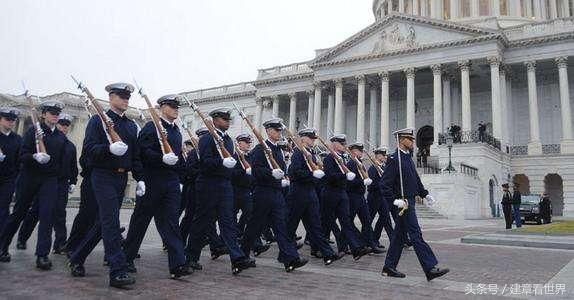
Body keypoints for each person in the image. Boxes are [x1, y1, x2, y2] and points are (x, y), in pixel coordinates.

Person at [68, 82, 143, 288]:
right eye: (121, 96)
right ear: (111, 98)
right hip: (102, 176)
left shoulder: (129, 126)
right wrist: (109, 149)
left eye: (127, 97)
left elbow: (135, 156)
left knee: (103, 224)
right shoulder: (97, 121)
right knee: (111, 221)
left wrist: (140, 177)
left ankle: (77, 257)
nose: (125, 100)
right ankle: (117, 270)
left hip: (121, 178)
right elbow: (90, 150)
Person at [122, 94, 191, 278]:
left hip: (170, 181)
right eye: (172, 106)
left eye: (177, 106)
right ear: (161, 107)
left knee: (171, 223)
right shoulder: (152, 126)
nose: (176, 109)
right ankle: (127, 258)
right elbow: (141, 152)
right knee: (140, 222)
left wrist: (180, 179)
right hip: (153, 179)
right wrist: (148, 171)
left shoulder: (176, 131)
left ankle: (177, 264)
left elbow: (178, 157)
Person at [0, 100, 67, 271]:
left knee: (47, 215)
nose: (55, 115)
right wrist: (34, 157)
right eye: (52, 112)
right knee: (19, 213)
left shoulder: (60, 137)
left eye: (57, 113)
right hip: (30, 176)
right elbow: (22, 155)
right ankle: (3, 245)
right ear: (44, 114)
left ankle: (42, 254)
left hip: (50, 179)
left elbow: (61, 161)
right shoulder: (33, 132)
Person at [185, 108, 253, 275]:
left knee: (228, 222)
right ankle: (190, 257)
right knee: (202, 222)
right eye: (224, 119)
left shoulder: (228, 140)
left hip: (224, 184)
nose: (227, 121)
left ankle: (237, 258)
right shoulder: (207, 138)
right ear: (214, 120)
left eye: (228, 119)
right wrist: (222, 162)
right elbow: (205, 162)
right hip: (208, 183)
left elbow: (231, 163)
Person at [381, 127, 449, 281]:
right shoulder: (394, 159)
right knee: (415, 234)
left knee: (399, 236)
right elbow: (384, 185)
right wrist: (394, 200)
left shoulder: (407, 158)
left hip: (411, 200)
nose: (413, 142)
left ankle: (388, 267)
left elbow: (415, 180)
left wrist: (425, 194)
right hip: (403, 203)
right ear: (401, 140)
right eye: (410, 139)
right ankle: (430, 267)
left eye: (412, 139)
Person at [241, 118, 308, 272]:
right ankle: (241, 256)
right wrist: (270, 173)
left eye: (280, 130)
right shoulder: (259, 149)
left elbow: (281, 169)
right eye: (277, 130)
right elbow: (256, 171)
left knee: (282, 227)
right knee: (254, 227)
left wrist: (282, 179)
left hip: (276, 193)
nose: (279, 133)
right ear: (269, 131)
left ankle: (290, 259)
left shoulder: (277, 149)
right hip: (263, 192)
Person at [16, 113, 78, 254]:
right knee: (35, 212)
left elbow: (73, 166)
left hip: (61, 182)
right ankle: (22, 237)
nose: (64, 127)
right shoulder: (48, 139)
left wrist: (73, 181)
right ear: (57, 124)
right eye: (62, 124)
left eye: (66, 125)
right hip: (47, 180)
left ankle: (60, 243)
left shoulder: (71, 146)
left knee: (60, 213)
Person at [286, 127, 339, 265]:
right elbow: (294, 173)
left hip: (310, 192)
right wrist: (311, 174)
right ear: (302, 139)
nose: (313, 140)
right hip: (298, 192)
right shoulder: (298, 153)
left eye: (314, 138)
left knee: (316, 225)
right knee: (291, 226)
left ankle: (327, 253)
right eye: (311, 138)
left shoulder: (311, 153)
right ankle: (285, 254)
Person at [320, 134, 370, 260]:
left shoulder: (343, 159)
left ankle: (355, 249)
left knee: (346, 222)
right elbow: (330, 176)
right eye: (342, 144)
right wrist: (344, 176)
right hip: (330, 193)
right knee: (327, 222)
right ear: (334, 144)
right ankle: (319, 248)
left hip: (342, 193)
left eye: (344, 144)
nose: (344, 146)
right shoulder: (329, 159)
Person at [346, 142, 384, 254]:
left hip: (361, 196)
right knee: (348, 222)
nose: (361, 153)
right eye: (359, 151)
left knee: (367, 221)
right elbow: (349, 182)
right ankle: (348, 244)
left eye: (361, 151)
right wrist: (362, 181)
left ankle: (370, 244)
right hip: (352, 196)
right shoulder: (351, 164)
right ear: (353, 152)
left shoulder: (359, 163)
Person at [0, 107, 23, 235]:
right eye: (8, 119)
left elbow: (19, 161)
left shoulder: (18, 139)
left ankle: (2, 243)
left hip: (8, 179)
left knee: (3, 209)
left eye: (13, 120)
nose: (11, 122)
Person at [367, 147, 393, 247]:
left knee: (385, 217)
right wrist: (382, 185)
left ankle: (375, 239)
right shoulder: (373, 168)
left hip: (382, 197)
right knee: (369, 219)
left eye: (384, 155)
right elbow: (371, 184)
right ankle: (368, 240)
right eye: (382, 155)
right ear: (377, 155)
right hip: (374, 197)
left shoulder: (383, 167)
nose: (384, 157)